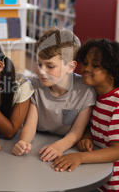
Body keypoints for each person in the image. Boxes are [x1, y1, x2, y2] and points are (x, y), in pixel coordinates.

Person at [52, 39, 119, 192]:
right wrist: (87, 136)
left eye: (95, 65)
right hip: (98, 172)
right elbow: (92, 125)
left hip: (117, 182)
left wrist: (79, 158)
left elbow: (117, 151)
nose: (85, 68)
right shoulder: (94, 95)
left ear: (113, 73)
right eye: (85, 63)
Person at [12, 28, 96, 162]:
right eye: (39, 64)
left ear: (70, 67)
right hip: (38, 145)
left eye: (50, 66)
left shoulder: (86, 91)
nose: (41, 71)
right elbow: (30, 125)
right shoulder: (33, 85)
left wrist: (60, 146)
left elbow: (76, 132)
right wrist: (23, 142)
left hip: (68, 148)